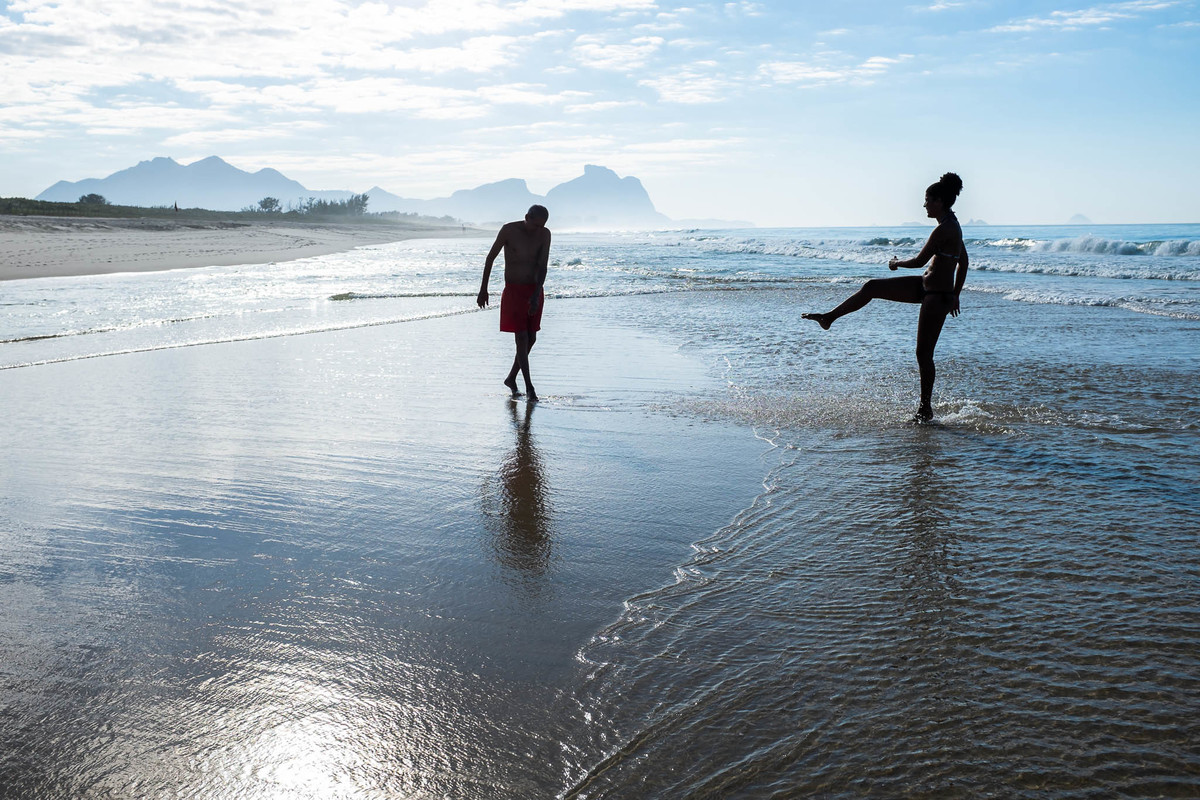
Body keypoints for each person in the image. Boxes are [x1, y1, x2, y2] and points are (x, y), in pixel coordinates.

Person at [802, 173, 968, 422]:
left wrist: (895, 263)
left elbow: (921, 261)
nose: (924, 205)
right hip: (926, 287)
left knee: (923, 354)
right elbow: (963, 261)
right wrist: (956, 294)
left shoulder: (946, 229)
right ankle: (829, 317)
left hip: (936, 296)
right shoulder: (951, 224)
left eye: (927, 200)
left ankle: (925, 409)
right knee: (871, 287)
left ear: (940, 201)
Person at [478, 205, 551, 401]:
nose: (538, 229)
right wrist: (483, 289)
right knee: (521, 338)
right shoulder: (509, 230)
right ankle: (530, 388)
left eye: (541, 226)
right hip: (514, 290)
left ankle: (511, 378)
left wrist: (536, 295)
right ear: (526, 217)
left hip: (534, 289)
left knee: (531, 338)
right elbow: (490, 258)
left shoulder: (544, 234)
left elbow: (543, 266)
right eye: (535, 225)